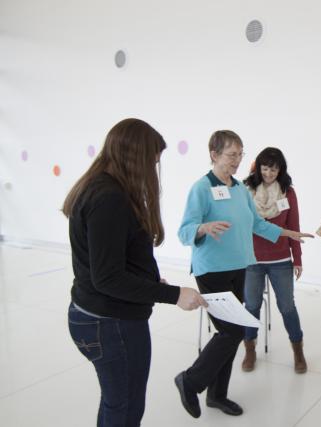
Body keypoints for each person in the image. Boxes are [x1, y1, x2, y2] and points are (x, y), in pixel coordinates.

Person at [62, 118, 207, 427]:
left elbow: (113, 260)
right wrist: (174, 294)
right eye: (151, 161)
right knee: (125, 407)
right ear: (134, 156)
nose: (153, 169)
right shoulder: (109, 198)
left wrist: (147, 283)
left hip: (98, 315)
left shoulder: (100, 186)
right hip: (109, 322)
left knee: (117, 401)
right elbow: (108, 277)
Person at [174, 130, 313, 419]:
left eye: (240, 154)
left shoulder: (238, 189)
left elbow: (257, 225)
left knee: (231, 332)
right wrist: (202, 228)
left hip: (240, 268)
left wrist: (287, 233)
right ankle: (190, 380)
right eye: (230, 154)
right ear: (214, 154)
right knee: (232, 331)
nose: (237, 160)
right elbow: (184, 231)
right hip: (212, 271)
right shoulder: (201, 188)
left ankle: (217, 395)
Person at [241, 147, 307, 374]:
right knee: (251, 306)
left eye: (274, 169)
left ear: (281, 169)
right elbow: (242, 226)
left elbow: (293, 228)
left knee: (287, 306)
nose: (269, 173)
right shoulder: (245, 190)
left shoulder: (288, 192)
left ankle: (298, 350)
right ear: (258, 168)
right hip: (251, 260)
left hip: (280, 259)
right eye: (265, 168)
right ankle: (250, 349)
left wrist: (297, 259)